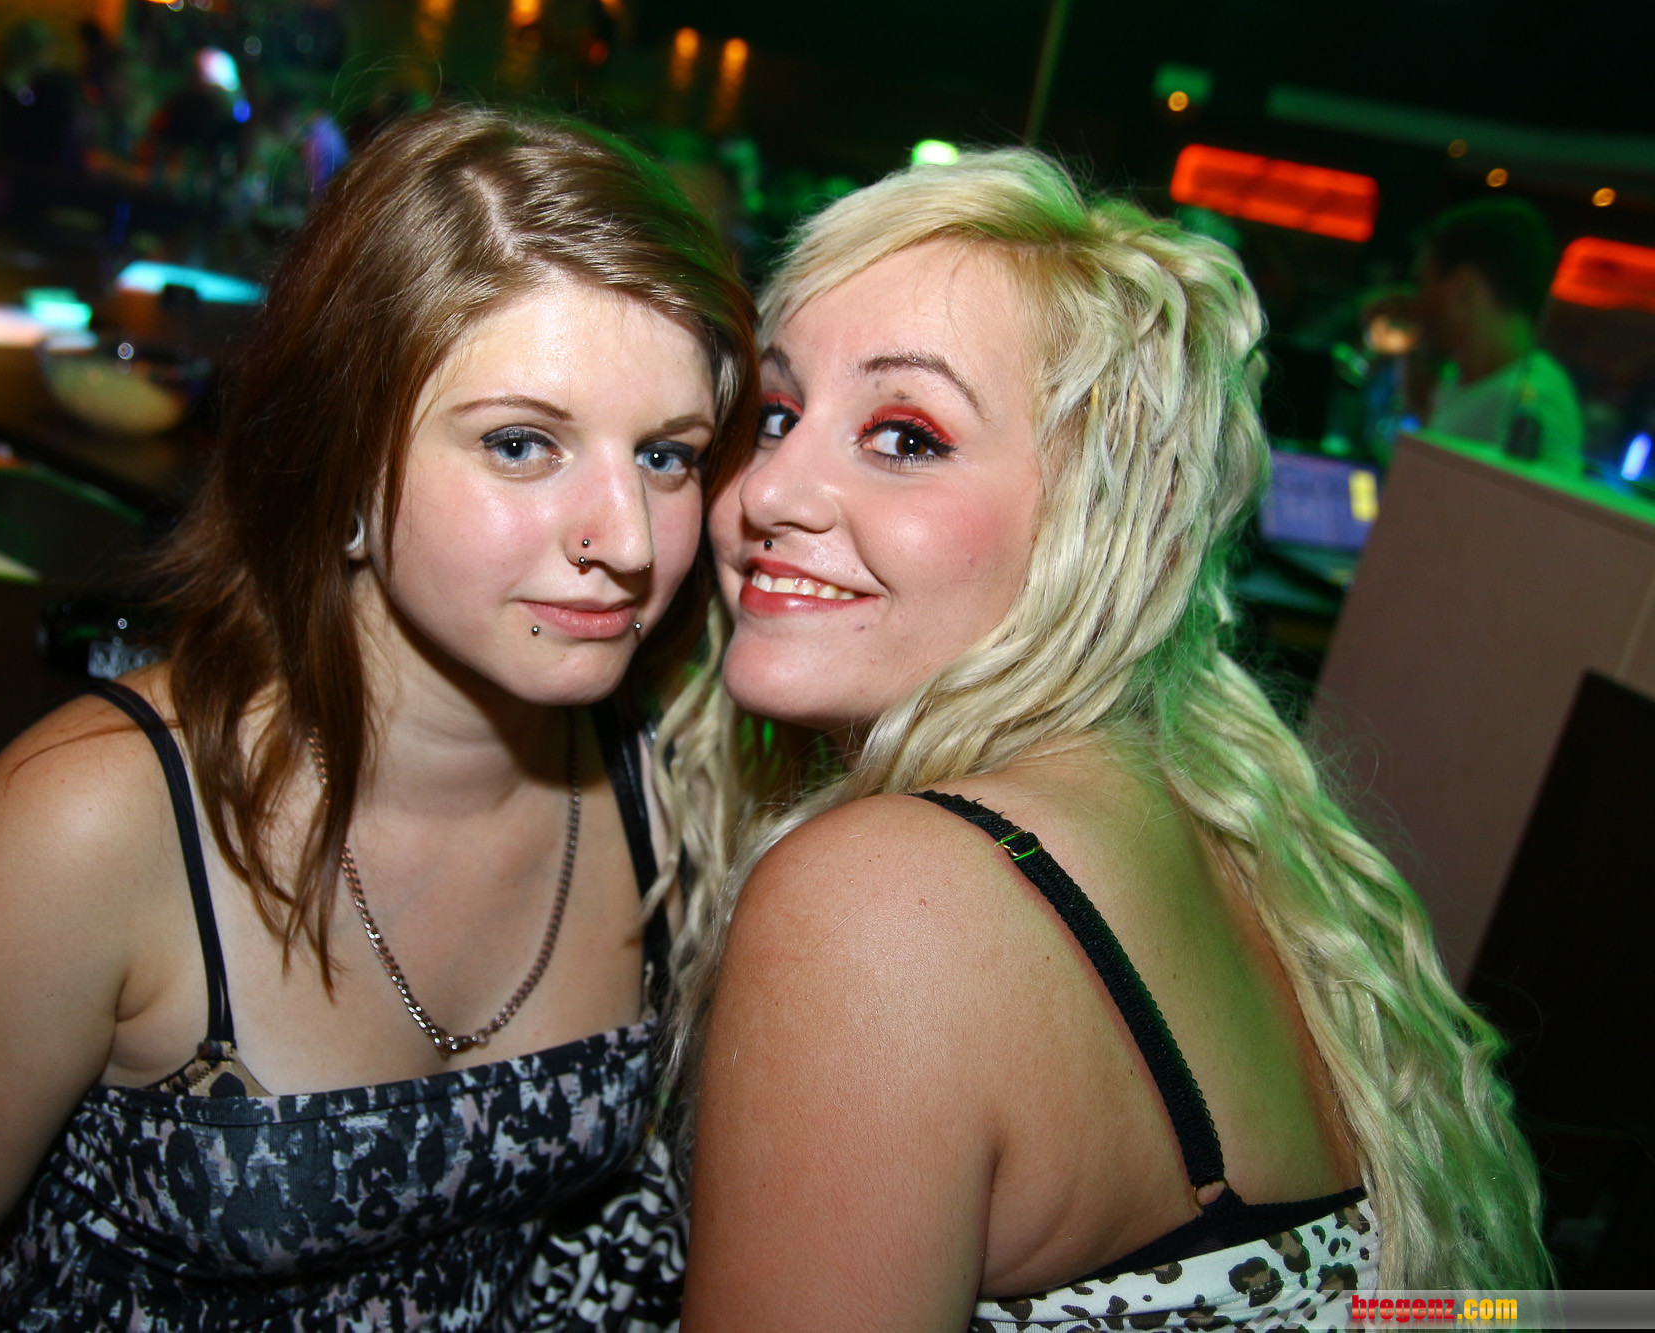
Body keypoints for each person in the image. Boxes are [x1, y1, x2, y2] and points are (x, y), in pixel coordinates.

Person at [0, 105, 755, 1332]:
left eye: (666, 456)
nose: (625, 539)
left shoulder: (668, 785)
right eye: (522, 444)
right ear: (340, 460)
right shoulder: (93, 826)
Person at [662, 149, 1548, 1330]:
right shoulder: (1223, 832)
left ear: (1105, 518)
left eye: (905, 436)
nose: (766, 490)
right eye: (775, 415)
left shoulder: (881, 904)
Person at [1414, 197, 1583, 474]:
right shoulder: (1461, 375)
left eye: (1424, 282)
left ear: (1462, 286)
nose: (1417, 301)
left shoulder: (1534, 403)